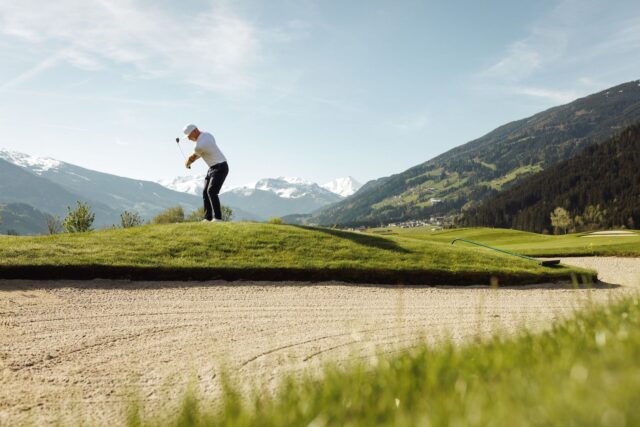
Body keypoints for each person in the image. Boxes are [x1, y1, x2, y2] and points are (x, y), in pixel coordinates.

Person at [182, 124, 229, 222]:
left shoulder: (199, 145)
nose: (189, 139)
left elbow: (195, 156)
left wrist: (188, 162)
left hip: (220, 167)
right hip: (212, 168)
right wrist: (190, 160)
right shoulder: (208, 135)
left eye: (189, 136)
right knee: (205, 192)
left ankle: (218, 218)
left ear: (195, 131)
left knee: (211, 192)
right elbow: (202, 152)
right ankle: (207, 218)